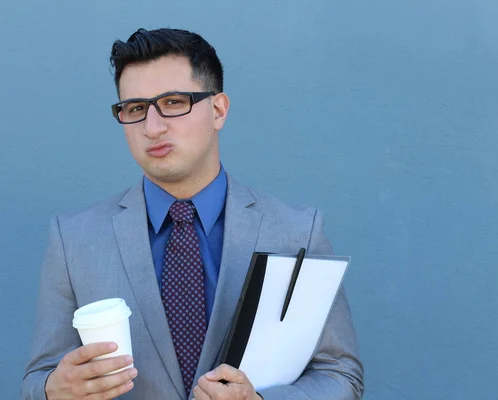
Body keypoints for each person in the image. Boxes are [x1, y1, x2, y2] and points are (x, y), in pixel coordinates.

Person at [22, 28, 364, 400]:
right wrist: (51, 390)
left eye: (173, 102)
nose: (152, 128)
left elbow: (340, 375)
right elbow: (38, 379)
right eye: (135, 108)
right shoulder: (74, 240)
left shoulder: (297, 230)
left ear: (218, 110)